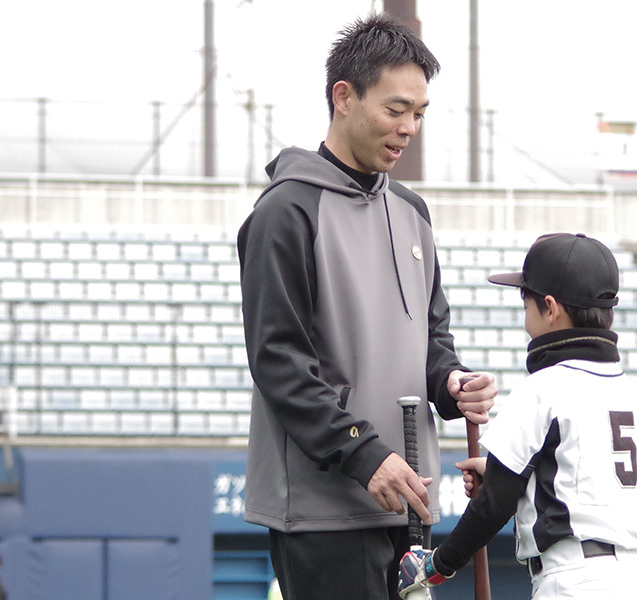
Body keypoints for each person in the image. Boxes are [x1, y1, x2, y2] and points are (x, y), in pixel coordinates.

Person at [237, 12, 497, 600]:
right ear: (343, 97)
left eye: (420, 114)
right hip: (325, 512)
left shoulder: (413, 212)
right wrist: (362, 453)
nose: (409, 128)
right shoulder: (285, 212)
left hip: (411, 506)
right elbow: (279, 361)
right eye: (395, 109)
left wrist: (452, 383)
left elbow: (431, 341)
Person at [399, 233, 637, 600]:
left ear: (550, 308)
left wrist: (435, 565)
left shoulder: (545, 385)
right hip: (635, 581)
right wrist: (525, 481)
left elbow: (493, 506)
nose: (526, 317)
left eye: (527, 305)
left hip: (573, 582)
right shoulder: (629, 392)